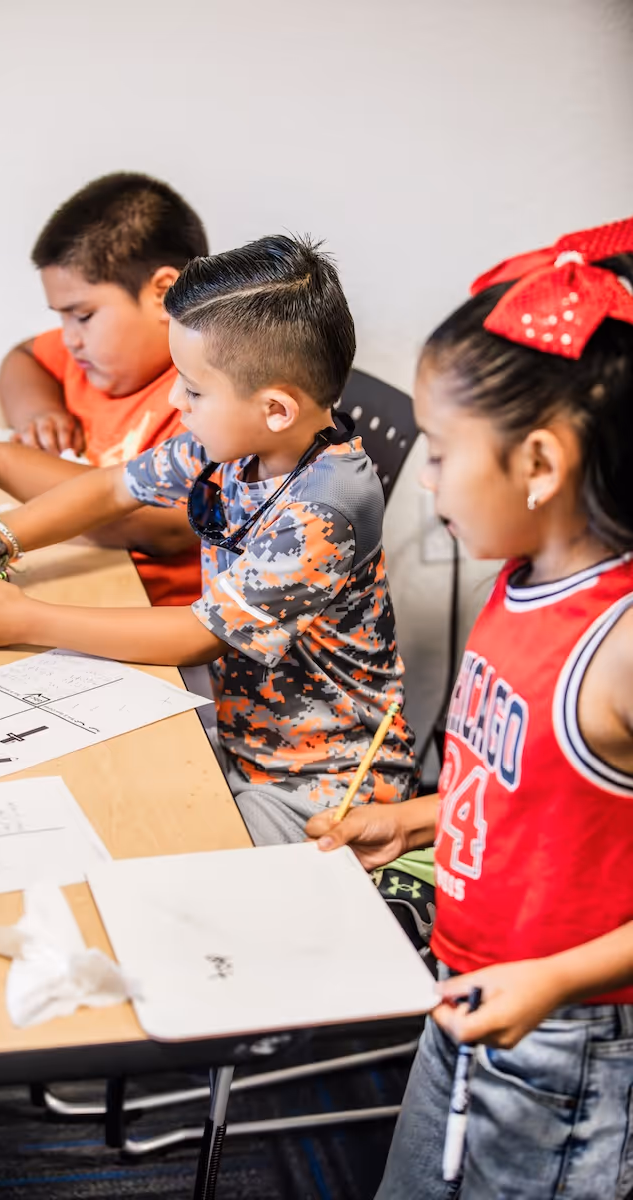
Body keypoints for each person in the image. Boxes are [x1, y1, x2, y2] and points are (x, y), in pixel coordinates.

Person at [0, 234, 416, 842]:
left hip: (320, 783)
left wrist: (24, 618)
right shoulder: (240, 446)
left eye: (192, 387)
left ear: (276, 409)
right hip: (248, 739)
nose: (173, 399)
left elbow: (198, 636)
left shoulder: (324, 508)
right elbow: (111, 490)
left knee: (144, 836)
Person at [307, 217, 633, 1199]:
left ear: (538, 465)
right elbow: (526, 782)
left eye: (443, 455)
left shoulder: (617, 645)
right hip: (475, 987)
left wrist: (552, 982)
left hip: (563, 1040)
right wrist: (413, 816)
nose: (428, 480)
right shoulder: (523, 572)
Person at [0, 171, 209, 606]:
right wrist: (38, 413)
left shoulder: (206, 392)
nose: (70, 337)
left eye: (83, 315)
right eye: (62, 317)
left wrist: (10, 465)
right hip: (87, 579)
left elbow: (167, 527)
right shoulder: (89, 359)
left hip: (157, 624)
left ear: (163, 293)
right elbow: (21, 359)